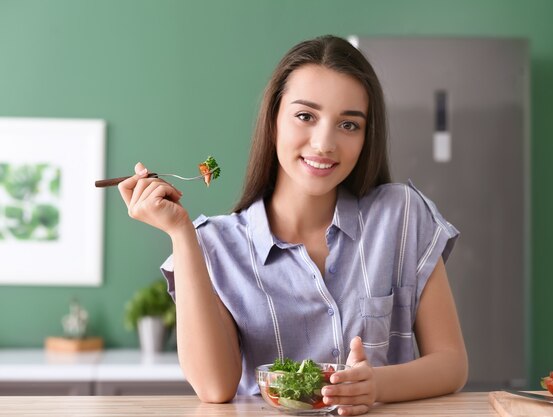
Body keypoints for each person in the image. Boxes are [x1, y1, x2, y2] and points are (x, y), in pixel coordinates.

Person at [118, 34, 467, 416]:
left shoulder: (401, 215)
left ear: (367, 137)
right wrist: (181, 233)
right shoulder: (214, 246)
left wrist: (374, 386)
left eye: (349, 125)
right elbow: (215, 387)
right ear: (273, 121)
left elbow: (451, 363)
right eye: (305, 116)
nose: (324, 143)